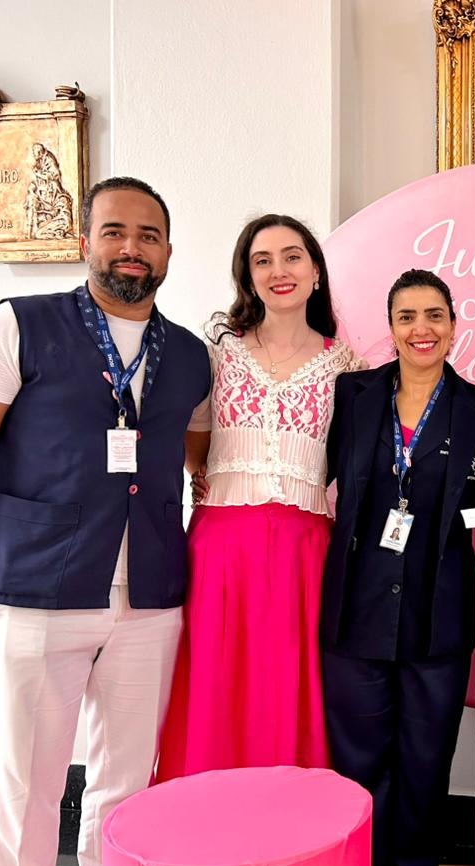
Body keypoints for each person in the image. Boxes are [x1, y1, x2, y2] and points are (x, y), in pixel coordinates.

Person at [0, 176, 210, 866]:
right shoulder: (17, 326)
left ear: (168, 252)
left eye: (148, 235)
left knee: (127, 791)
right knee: (26, 792)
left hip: (151, 601)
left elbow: (200, 466)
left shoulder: (191, 356)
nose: (131, 248)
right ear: (84, 242)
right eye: (114, 231)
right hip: (37, 592)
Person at [320, 269, 475, 866]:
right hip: (356, 608)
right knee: (359, 762)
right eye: (407, 317)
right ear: (391, 327)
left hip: (439, 614)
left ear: (453, 326)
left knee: (426, 765)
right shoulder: (352, 396)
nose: (421, 329)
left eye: (434, 316)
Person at [155, 214, 361, 781]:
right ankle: (205, 815)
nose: (279, 271)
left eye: (292, 256)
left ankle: (290, 818)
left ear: (315, 271)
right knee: (215, 681)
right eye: (262, 260)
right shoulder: (217, 351)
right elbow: (193, 440)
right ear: (247, 276)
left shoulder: (347, 367)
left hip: (304, 552)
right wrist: (206, 478)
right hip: (221, 547)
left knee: (289, 684)